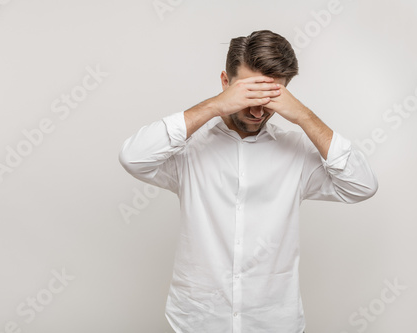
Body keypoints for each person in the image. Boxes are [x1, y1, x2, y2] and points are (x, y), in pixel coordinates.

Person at [118, 30, 378, 333]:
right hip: (196, 321)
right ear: (225, 83)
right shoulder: (188, 150)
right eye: (248, 95)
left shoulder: (297, 152)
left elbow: (362, 185)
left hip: (275, 323)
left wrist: (305, 117)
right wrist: (215, 105)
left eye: (269, 98)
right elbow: (133, 157)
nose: (257, 111)